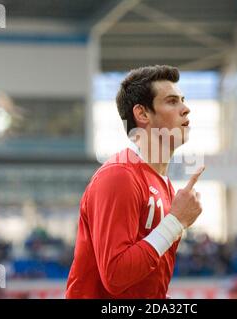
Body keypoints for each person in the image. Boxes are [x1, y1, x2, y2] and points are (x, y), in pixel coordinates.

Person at [65, 65, 204, 298]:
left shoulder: (165, 187)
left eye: (183, 100)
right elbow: (116, 276)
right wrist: (176, 221)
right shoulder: (119, 175)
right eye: (172, 101)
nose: (186, 109)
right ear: (142, 114)